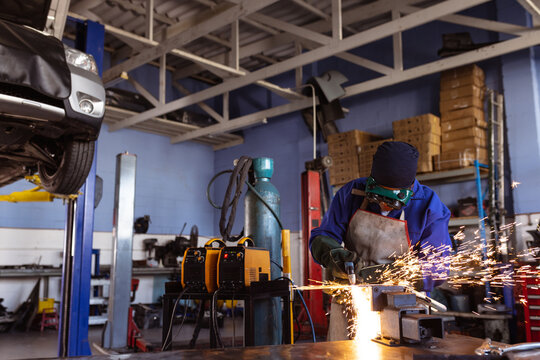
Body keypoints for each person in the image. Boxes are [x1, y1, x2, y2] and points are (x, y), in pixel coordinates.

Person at [310, 141, 452, 341]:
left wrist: (389, 275)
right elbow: (322, 236)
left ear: (408, 190)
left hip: (403, 306)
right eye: (377, 196)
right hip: (352, 300)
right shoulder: (351, 193)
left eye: (391, 200)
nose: (384, 204)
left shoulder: (429, 205)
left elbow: (438, 267)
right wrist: (334, 255)